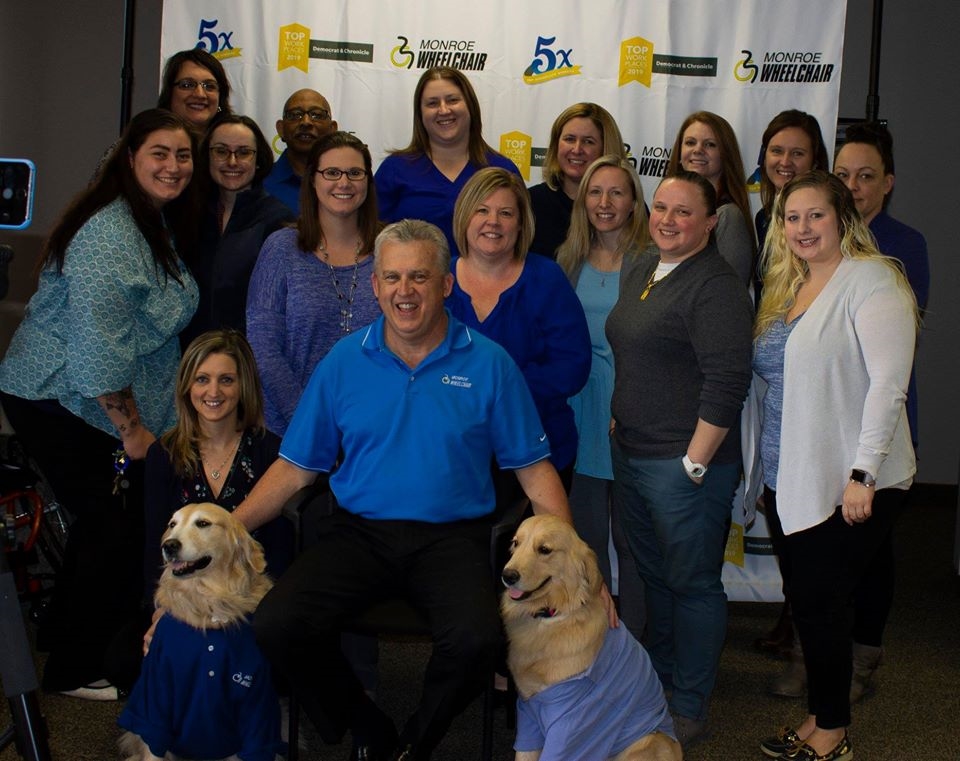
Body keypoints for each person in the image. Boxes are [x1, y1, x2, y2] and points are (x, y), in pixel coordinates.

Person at [234, 219, 573, 761]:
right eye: (391, 277)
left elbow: (535, 473)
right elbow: (295, 469)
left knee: (478, 642)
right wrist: (231, 527)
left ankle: (417, 741)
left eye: (419, 276)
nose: (404, 291)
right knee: (277, 624)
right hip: (357, 534)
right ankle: (365, 723)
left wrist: (572, 561)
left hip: (452, 539)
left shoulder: (490, 364)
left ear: (445, 285)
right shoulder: (343, 361)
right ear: (375, 285)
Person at [0, 109, 200, 698]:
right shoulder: (111, 235)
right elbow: (98, 353)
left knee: (104, 526)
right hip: (61, 395)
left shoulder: (147, 222)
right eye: (159, 153)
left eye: (182, 155)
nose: (173, 166)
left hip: (86, 399)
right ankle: (73, 670)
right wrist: (132, 431)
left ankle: (63, 637)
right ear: (130, 157)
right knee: (111, 528)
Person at [747, 171, 917, 761]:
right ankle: (821, 717)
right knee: (810, 604)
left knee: (823, 605)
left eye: (815, 215)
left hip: (849, 480)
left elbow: (889, 386)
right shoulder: (787, 286)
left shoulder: (872, 281)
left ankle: (833, 732)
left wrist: (863, 473)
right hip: (789, 476)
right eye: (792, 218)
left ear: (842, 217)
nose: (802, 228)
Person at [606, 171, 753, 748]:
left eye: (684, 211)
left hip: (685, 468)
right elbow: (639, 351)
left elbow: (728, 379)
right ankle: (660, 685)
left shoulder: (715, 286)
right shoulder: (641, 266)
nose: (667, 219)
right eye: (660, 207)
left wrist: (694, 462)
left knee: (692, 586)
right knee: (655, 577)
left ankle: (690, 704)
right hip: (633, 453)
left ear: (711, 222)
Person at [446, 167, 591, 491]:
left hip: (538, 454)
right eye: (482, 210)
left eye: (506, 213)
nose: (493, 222)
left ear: (521, 222)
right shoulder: (438, 278)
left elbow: (572, 368)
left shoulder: (546, 279)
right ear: (464, 216)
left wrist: (492, 386)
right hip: (451, 458)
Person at [555, 155, 650, 635]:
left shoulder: (651, 262)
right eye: (595, 192)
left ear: (634, 202)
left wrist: (630, 402)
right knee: (586, 540)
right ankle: (594, 642)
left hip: (631, 408)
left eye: (617, 192)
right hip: (579, 410)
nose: (605, 202)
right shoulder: (566, 261)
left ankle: (635, 645)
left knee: (631, 541)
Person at [247, 131, 382, 437]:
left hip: (372, 434)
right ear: (312, 180)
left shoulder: (390, 250)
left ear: (368, 182)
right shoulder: (281, 248)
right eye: (331, 172)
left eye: (355, 173)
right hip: (291, 434)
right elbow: (264, 349)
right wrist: (310, 423)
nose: (344, 183)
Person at [374, 66, 520, 257]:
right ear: (420, 114)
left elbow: (520, 240)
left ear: (470, 106)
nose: (443, 110)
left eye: (452, 100)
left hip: (486, 284)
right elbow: (372, 237)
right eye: (432, 103)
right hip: (413, 285)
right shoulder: (394, 169)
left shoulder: (502, 170)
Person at [180, 114, 295, 346]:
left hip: (247, 362)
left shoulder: (277, 220)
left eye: (243, 152)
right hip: (190, 359)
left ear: (258, 159)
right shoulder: (188, 214)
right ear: (207, 157)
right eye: (221, 151)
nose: (232, 162)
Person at [666, 111, 755, 289]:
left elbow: (728, 294)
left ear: (725, 155)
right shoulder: (664, 213)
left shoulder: (728, 217)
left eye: (710, 144)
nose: (698, 150)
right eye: (690, 142)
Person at [529, 102, 627, 259]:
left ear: (605, 148)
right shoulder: (531, 202)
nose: (576, 149)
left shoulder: (627, 206)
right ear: (556, 145)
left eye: (588, 141)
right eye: (569, 139)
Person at [754, 110, 829, 251]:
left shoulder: (824, 222)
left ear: (815, 162)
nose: (785, 162)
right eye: (777, 151)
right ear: (764, 157)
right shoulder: (764, 218)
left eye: (797, 153)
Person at [263, 88, 338, 214]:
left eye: (317, 115)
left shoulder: (348, 185)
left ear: (332, 129)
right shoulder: (259, 183)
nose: (306, 122)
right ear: (281, 129)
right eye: (295, 114)